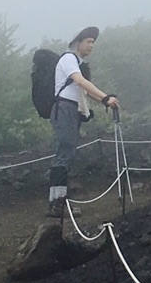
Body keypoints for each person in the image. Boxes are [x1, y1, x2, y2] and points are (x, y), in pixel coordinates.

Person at [48, 27, 119, 226]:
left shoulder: (75, 62)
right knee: (66, 150)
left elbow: (84, 89)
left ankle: (57, 201)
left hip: (69, 109)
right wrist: (105, 97)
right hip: (64, 109)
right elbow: (80, 82)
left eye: (92, 43)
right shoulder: (69, 59)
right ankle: (57, 203)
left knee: (66, 151)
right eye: (89, 42)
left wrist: (105, 101)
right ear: (78, 42)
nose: (91, 46)